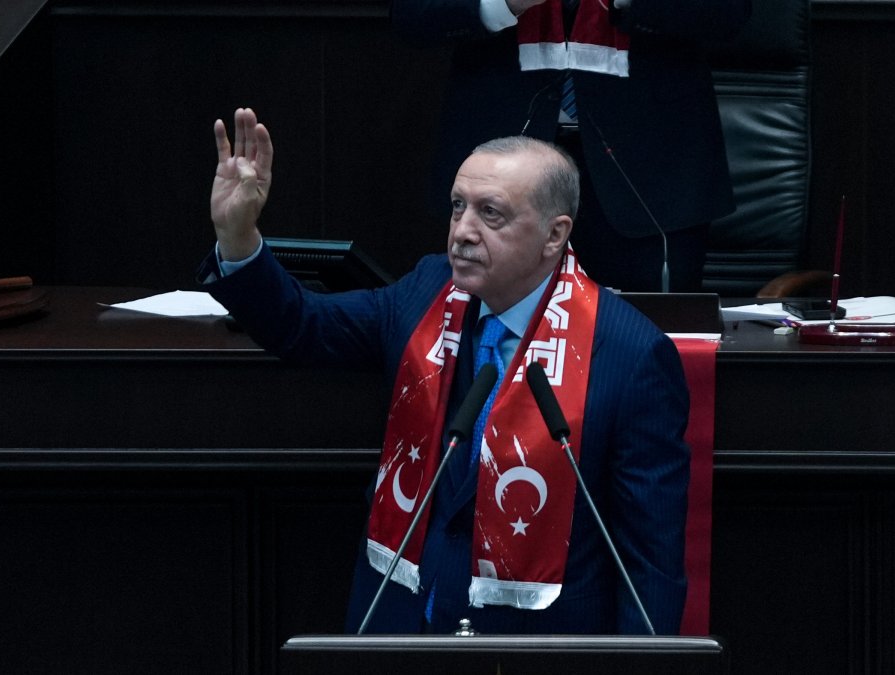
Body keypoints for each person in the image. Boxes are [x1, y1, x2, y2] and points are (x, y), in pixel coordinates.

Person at [199, 108, 690, 635]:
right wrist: (239, 238)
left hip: (539, 648)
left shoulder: (630, 354)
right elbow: (303, 325)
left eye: (491, 214)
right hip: (398, 623)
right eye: (458, 207)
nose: (462, 232)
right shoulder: (427, 290)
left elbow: (649, 564)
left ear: (555, 235)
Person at [392, 0, 752, 292]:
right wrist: (499, 4)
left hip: (650, 174)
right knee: (494, 348)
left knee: (642, 349)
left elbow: (729, 14)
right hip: (501, 165)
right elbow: (412, 16)